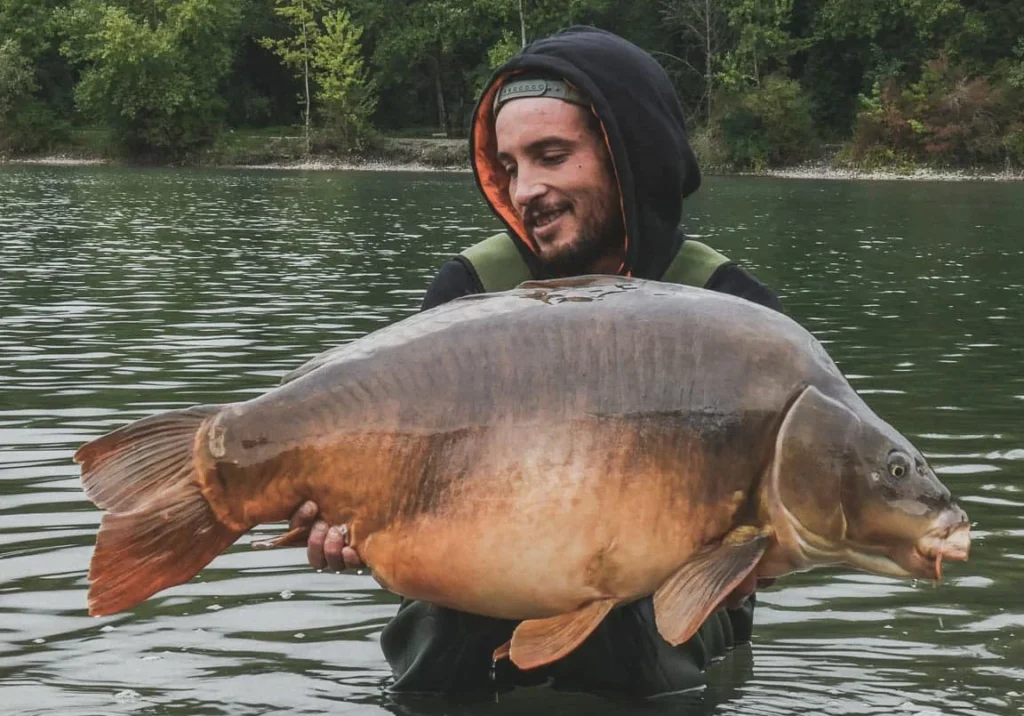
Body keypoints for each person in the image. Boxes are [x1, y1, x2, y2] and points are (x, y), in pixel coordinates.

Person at [290, 26, 783, 697]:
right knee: (440, 647)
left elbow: (786, 517)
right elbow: (402, 477)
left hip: (667, 597)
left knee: (628, 622)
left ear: (626, 155)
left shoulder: (733, 310)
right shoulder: (469, 288)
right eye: (512, 165)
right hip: (480, 575)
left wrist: (748, 560)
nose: (526, 190)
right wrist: (357, 530)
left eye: (552, 156)